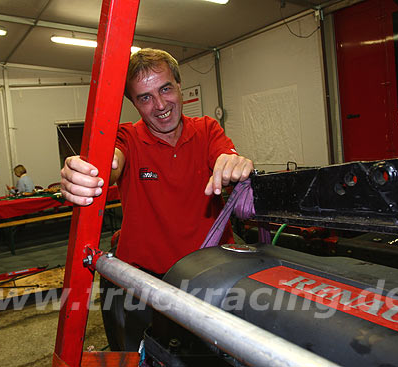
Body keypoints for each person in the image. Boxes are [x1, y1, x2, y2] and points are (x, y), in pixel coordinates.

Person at [60, 48, 253, 350]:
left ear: (179, 85)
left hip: (209, 276)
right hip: (143, 284)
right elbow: (110, 162)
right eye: (145, 97)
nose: (160, 105)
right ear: (133, 102)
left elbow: (226, 157)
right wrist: (86, 174)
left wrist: (235, 163)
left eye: (165, 89)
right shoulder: (128, 138)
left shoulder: (207, 130)